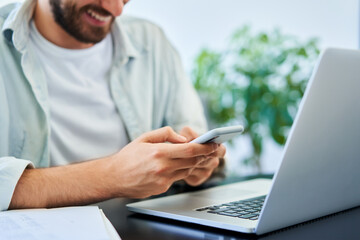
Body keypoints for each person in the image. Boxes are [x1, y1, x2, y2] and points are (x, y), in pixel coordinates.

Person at [0, 0, 226, 211]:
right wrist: (112, 176)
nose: (117, 10)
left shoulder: (152, 43)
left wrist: (199, 163)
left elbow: (195, 137)